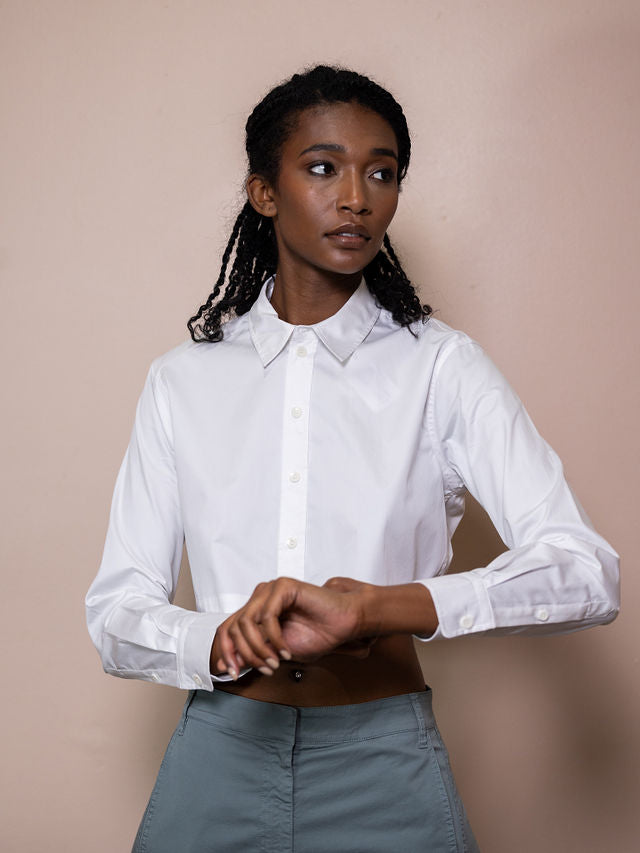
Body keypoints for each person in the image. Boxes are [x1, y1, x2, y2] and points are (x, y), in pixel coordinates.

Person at [85, 65, 620, 852]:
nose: (357, 197)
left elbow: (585, 570)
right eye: (323, 167)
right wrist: (217, 640)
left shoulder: (442, 367)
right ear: (263, 191)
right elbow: (116, 610)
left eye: (383, 172)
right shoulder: (183, 380)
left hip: (386, 758)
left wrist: (378, 608)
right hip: (221, 756)